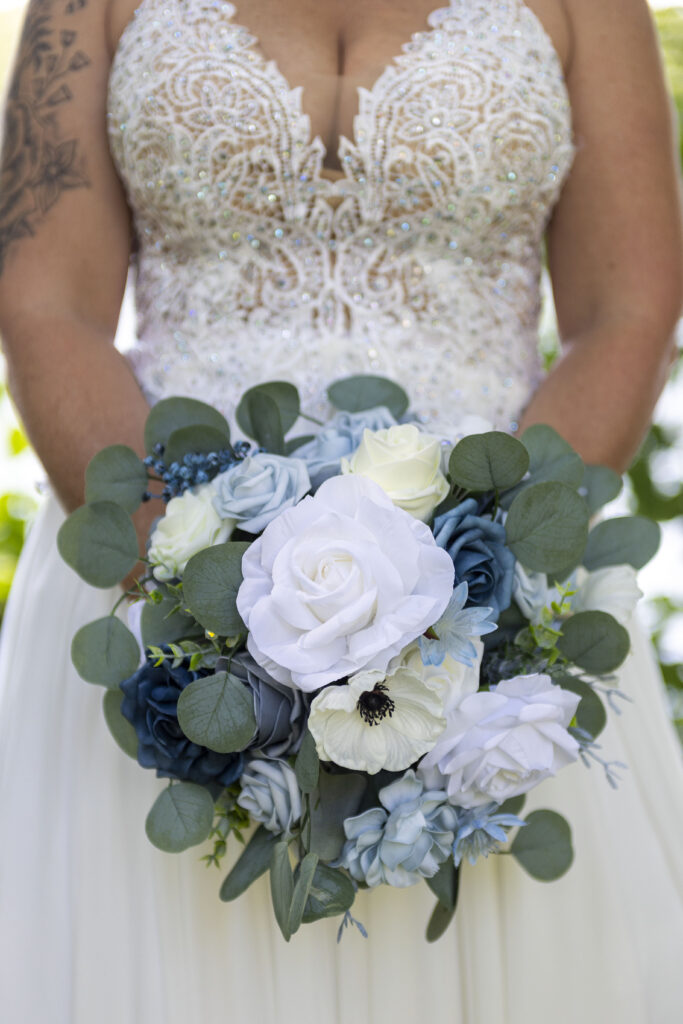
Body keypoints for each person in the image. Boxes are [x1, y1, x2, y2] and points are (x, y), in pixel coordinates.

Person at [0, 0, 682, 1020]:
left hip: (491, 607)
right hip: (158, 584)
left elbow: (622, 310)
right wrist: (205, 604)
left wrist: (477, 612)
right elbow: (44, 298)